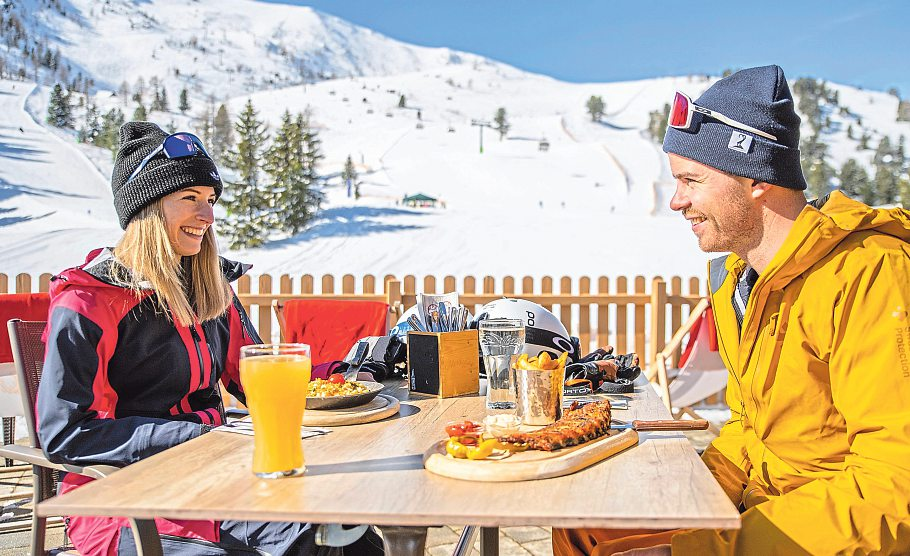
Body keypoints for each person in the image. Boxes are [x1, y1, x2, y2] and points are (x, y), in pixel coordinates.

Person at [554, 65, 910, 554]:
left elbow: (894, 488)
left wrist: (699, 550)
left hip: (825, 528)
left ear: (755, 179)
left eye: (691, 180)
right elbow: (748, 429)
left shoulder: (868, 274)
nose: (677, 201)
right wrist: (683, 495)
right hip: (764, 509)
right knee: (580, 525)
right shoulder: (738, 283)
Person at [37, 122, 384, 556]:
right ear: (146, 207)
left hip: (217, 477)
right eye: (190, 198)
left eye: (211, 200)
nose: (208, 216)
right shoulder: (89, 301)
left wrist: (349, 376)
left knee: (350, 538)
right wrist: (191, 436)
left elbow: (258, 376)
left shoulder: (210, 289)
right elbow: (66, 433)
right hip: (122, 496)